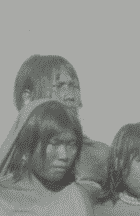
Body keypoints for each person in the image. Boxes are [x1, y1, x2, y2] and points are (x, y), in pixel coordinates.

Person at [11, 55, 109, 192]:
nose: (70, 96)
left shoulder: (98, 155)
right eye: (60, 86)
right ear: (28, 98)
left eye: (73, 86)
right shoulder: (9, 158)